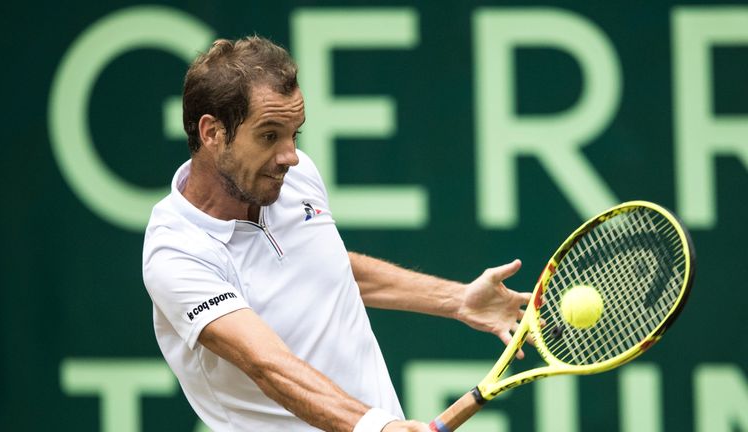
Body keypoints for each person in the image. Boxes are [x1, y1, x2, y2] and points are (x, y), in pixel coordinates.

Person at [142, 36, 530, 432]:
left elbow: (327, 269)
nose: (289, 156)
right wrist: (375, 427)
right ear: (212, 133)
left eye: (295, 133)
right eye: (268, 135)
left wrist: (457, 299)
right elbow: (268, 365)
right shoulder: (176, 252)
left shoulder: (293, 178)